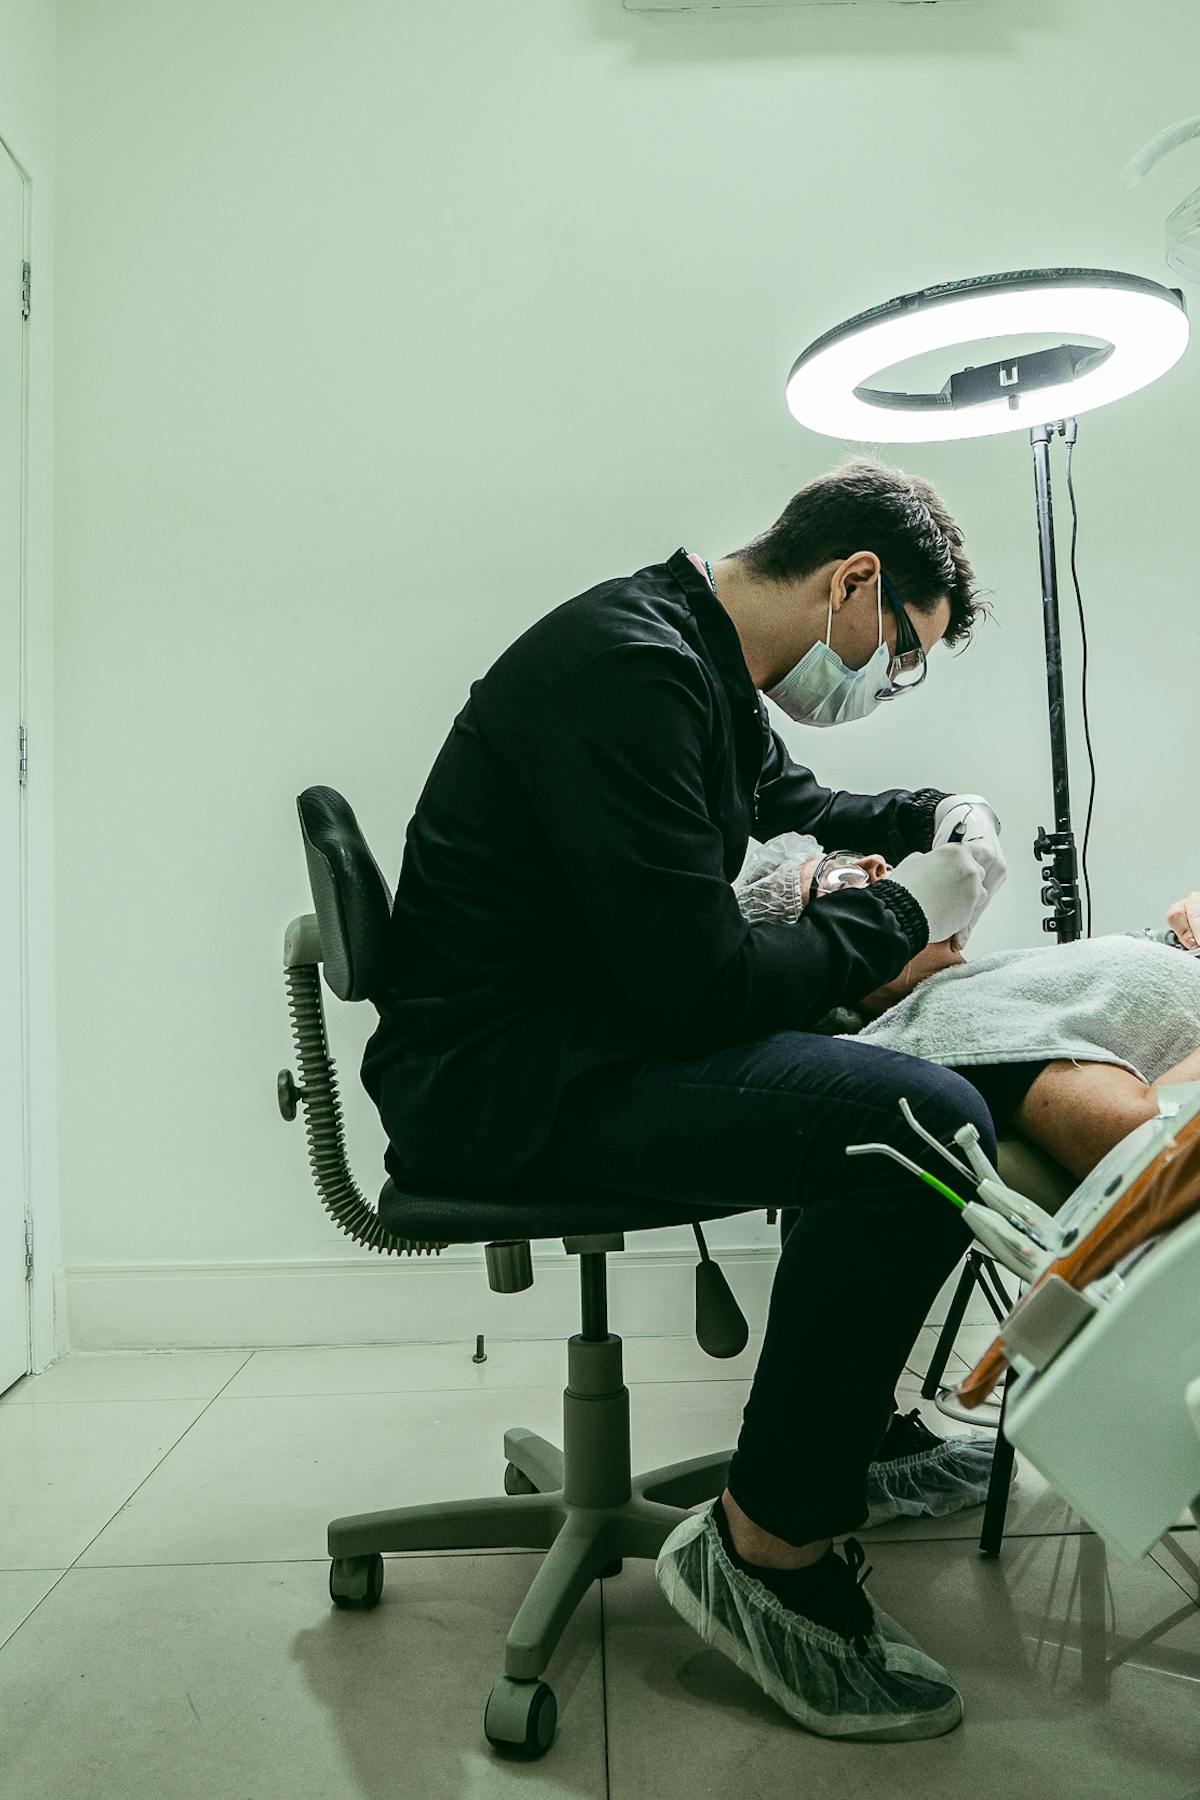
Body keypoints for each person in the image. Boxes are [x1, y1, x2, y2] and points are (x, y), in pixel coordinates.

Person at [361, 458, 1006, 1742]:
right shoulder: (629, 667)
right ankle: (768, 1555)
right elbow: (701, 993)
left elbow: (808, 808)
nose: (892, 679)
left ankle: (846, 1443)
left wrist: (944, 816)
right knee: (916, 1126)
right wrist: (899, 916)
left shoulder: (703, 661)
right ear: (855, 581)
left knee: (891, 1092)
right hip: (512, 1081)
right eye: (907, 653)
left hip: (581, 1040)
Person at [736, 839, 1200, 1180]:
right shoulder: (953, 1023)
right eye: (843, 881)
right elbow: (1147, 1140)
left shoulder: (986, 984)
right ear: (830, 965)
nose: (879, 865)